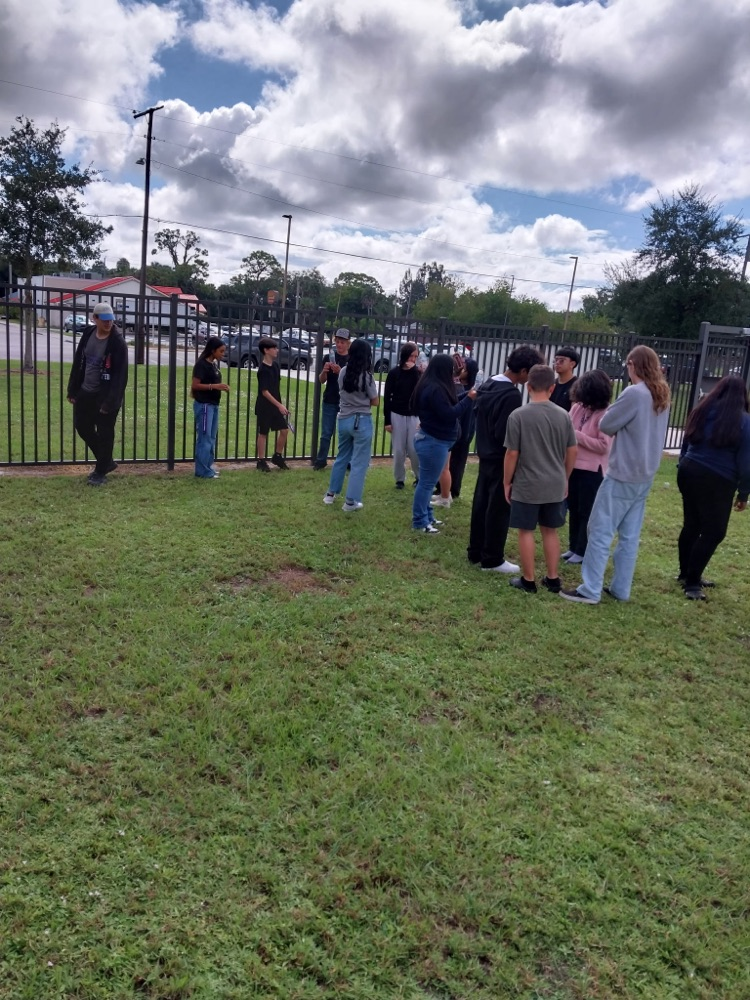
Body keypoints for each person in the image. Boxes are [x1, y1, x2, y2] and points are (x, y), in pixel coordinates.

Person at [560, 345, 671, 604]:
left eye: (627, 365)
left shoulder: (635, 393)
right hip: (645, 475)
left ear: (633, 364)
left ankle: (590, 589)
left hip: (622, 473)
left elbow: (607, 425)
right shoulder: (661, 394)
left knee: (599, 530)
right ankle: (621, 589)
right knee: (629, 536)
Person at [467, 345, 544, 571]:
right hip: (501, 457)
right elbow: (505, 433)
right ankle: (492, 559)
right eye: (529, 373)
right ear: (522, 371)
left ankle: (475, 551)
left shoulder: (490, 383)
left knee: (481, 503)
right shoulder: (510, 394)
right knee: (499, 507)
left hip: (484, 453)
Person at [503, 365, 577, 593]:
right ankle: (553, 578)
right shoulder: (564, 415)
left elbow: (512, 453)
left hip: (528, 483)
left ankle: (528, 580)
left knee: (526, 531)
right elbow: (572, 450)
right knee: (550, 530)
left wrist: (507, 481)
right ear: (553, 387)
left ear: (528, 386)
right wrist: (565, 477)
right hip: (555, 483)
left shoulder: (518, 416)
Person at [676, 375, 750, 600]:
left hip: (688, 470)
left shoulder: (700, 411)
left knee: (692, 524)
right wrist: (744, 493)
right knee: (714, 531)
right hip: (717, 478)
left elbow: (686, 442)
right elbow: (746, 462)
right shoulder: (744, 421)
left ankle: (685, 573)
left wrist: (683, 464)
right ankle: (692, 583)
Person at [411, 354, 477, 533]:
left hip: (434, 440)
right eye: (451, 369)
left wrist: (467, 394)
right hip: (433, 442)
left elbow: (450, 403)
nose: (454, 372)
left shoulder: (433, 385)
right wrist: (469, 400)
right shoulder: (434, 389)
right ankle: (419, 521)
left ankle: (428, 516)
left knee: (429, 483)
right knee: (426, 483)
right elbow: (449, 413)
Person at [66, 301, 129, 486]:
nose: (108, 324)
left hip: (106, 396)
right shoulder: (88, 333)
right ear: (95, 319)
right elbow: (79, 361)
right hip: (85, 391)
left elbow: (120, 376)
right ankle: (106, 461)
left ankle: (100, 472)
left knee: (105, 433)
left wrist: (109, 403)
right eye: (104, 320)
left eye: (111, 320)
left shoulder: (117, 343)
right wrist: (72, 389)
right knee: (82, 426)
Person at [322, 338, 379, 511]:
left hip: (344, 419)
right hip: (361, 421)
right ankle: (351, 502)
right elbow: (375, 401)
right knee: (359, 463)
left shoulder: (343, 372)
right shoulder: (367, 376)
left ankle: (330, 494)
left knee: (342, 457)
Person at [563, 369, 613, 563]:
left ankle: (582, 550)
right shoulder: (578, 408)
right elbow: (567, 425)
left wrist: (578, 436)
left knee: (587, 511)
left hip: (592, 471)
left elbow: (603, 446)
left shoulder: (606, 414)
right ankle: (573, 546)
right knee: (573, 507)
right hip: (573, 465)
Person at [191, 336, 230, 479]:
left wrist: (221, 387)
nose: (222, 354)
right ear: (212, 350)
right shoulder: (201, 365)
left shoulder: (213, 365)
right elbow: (195, 385)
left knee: (211, 438)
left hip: (213, 406)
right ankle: (202, 471)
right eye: (221, 351)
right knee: (205, 438)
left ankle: (209, 467)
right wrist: (215, 386)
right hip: (205, 406)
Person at [383, 342, 421, 489]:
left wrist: (414, 371)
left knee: (414, 449)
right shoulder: (394, 373)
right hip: (397, 414)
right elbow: (387, 397)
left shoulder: (417, 373)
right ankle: (399, 479)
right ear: (405, 355)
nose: (413, 359)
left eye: (415, 356)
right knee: (399, 450)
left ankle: (419, 477)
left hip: (413, 415)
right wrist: (387, 420)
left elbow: (420, 390)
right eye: (411, 356)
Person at [313, 327, 351, 470]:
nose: (339, 345)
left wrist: (340, 371)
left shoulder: (351, 359)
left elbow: (352, 381)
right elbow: (321, 380)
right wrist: (325, 371)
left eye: (342, 342)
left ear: (348, 343)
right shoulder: (328, 357)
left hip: (346, 401)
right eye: (338, 342)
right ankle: (321, 460)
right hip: (330, 399)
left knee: (345, 434)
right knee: (326, 433)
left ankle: (346, 461)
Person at [255, 338, 290, 472]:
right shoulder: (263, 370)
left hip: (275, 406)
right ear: (266, 350)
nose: (277, 350)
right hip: (264, 406)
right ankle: (261, 461)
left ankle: (277, 456)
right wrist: (279, 405)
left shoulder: (275, 366)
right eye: (274, 348)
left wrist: (281, 406)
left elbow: (275, 388)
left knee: (284, 430)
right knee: (263, 433)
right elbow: (265, 392)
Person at [448, 357, 479, 499]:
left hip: (466, 430)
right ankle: (443, 488)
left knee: (458, 461)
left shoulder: (473, 391)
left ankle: (454, 490)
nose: (462, 370)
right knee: (447, 460)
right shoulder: (455, 385)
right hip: (453, 429)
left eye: (465, 368)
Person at [550, 346, 580, 411]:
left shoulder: (578, 386)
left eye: (561, 361)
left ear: (572, 364)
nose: (557, 363)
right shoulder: (551, 384)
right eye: (556, 360)